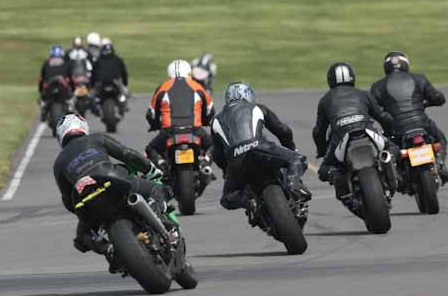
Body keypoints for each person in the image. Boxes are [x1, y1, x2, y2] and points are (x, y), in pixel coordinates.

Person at [53, 114, 166, 259]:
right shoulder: (97, 138)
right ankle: (159, 226)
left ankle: (108, 249)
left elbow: (68, 200)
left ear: (61, 135)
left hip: (86, 200)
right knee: (157, 190)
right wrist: (151, 170)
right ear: (83, 127)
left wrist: (84, 214)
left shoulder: (58, 163)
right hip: (115, 181)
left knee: (81, 238)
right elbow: (128, 154)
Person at [211, 82, 311, 211]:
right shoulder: (258, 108)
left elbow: (217, 154)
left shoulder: (216, 120)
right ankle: (293, 184)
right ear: (249, 95)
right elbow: (283, 130)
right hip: (261, 148)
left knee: (226, 198)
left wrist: (227, 171)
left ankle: (247, 201)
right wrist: (290, 148)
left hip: (236, 159)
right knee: (297, 159)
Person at [313, 62, 393, 209]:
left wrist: (321, 150)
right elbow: (383, 116)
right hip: (367, 132)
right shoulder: (363, 94)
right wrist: (390, 131)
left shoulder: (325, 100)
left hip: (341, 137)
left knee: (324, 169)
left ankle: (339, 178)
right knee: (392, 149)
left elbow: (319, 131)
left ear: (330, 80)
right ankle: (389, 169)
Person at [370, 51, 448, 183]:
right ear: (406, 64)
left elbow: (372, 110)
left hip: (397, 129)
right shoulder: (419, 79)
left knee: (387, 147)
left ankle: (395, 174)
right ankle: (441, 163)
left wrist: (383, 116)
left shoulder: (377, 87)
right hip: (422, 123)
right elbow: (438, 98)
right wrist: (427, 103)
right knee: (440, 138)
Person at [145, 59, 215, 165]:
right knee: (213, 145)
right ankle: (206, 162)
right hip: (194, 129)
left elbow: (151, 113)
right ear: (189, 72)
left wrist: (154, 125)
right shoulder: (197, 86)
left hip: (169, 131)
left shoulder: (163, 88)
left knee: (150, 149)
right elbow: (210, 109)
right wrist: (205, 121)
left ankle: (161, 164)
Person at [90, 38, 129, 116]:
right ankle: (123, 105)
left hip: (102, 82)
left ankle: (95, 109)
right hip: (113, 82)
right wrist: (125, 83)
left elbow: (93, 74)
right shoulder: (118, 59)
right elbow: (124, 73)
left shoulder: (98, 60)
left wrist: (92, 84)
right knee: (124, 93)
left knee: (92, 96)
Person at [38, 45, 73, 121]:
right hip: (58, 87)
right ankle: (44, 108)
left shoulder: (47, 63)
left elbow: (41, 78)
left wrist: (40, 90)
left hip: (54, 87)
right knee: (69, 98)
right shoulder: (66, 63)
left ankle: (44, 109)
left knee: (43, 99)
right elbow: (71, 77)